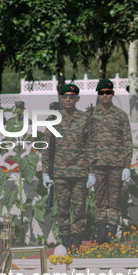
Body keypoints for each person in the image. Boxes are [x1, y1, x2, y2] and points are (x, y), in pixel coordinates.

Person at [43, 84, 89, 249]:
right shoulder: (53, 120)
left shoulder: (85, 119)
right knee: (62, 210)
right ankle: (65, 244)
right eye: (64, 97)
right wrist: (45, 173)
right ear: (61, 99)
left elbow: (91, 146)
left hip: (80, 172)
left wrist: (91, 172)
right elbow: (47, 148)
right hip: (60, 172)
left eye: (71, 96)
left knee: (79, 210)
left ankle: (76, 244)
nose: (68, 100)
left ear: (77, 98)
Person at [87, 79, 133, 243]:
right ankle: (101, 236)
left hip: (116, 165)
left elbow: (127, 141)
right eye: (102, 93)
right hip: (98, 165)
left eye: (108, 92)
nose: (105, 95)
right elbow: (86, 142)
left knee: (114, 202)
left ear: (112, 94)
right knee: (100, 201)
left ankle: (112, 235)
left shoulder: (120, 115)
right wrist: (89, 171)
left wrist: (127, 166)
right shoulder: (90, 115)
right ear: (98, 95)